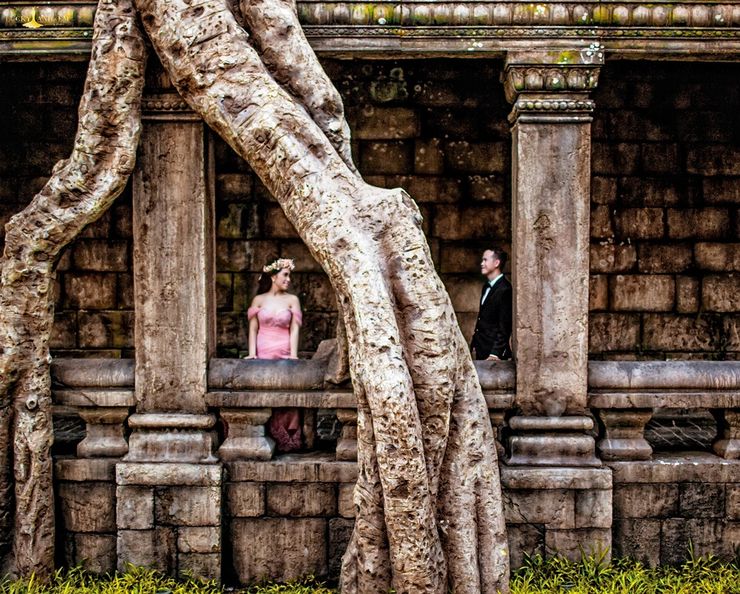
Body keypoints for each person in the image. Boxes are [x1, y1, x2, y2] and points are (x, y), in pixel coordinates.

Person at [246, 258, 303, 452]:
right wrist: (252, 354)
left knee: (286, 392)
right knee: (264, 391)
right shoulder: (259, 300)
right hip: (263, 350)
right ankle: (265, 433)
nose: (289, 279)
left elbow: (294, 329)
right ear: (273, 277)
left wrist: (293, 355)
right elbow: (253, 328)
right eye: (285, 275)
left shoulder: (292, 300)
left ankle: (286, 435)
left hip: (284, 349)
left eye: (289, 275)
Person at [471, 247, 513, 361]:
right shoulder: (486, 287)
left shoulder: (505, 289)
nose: (482, 263)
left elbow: (505, 325)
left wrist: (495, 353)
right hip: (481, 350)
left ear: (496, 263)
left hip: (493, 355)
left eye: (485, 260)